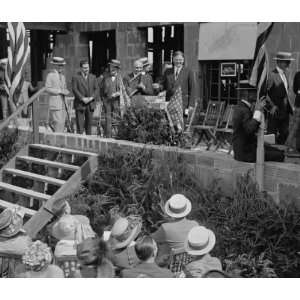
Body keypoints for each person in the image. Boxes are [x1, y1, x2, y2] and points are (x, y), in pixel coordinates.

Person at [232, 80, 285, 162]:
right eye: (254, 92)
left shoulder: (240, 107)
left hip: (244, 150)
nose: (256, 94)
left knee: (278, 151)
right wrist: (258, 111)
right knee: (279, 155)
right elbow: (250, 129)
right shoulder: (244, 110)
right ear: (247, 94)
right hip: (246, 153)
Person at [151, 194, 198, 265]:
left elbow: (149, 239)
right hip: (191, 264)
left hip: (171, 266)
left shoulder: (166, 228)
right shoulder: (195, 225)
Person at [155, 51, 197, 119]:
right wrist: (159, 87)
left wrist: (191, 105)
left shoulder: (189, 71)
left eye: (180, 60)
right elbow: (164, 86)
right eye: (176, 60)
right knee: (169, 125)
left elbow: (193, 89)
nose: (178, 62)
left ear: (183, 60)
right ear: (173, 59)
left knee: (180, 126)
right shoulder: (167, 71)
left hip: (182, 104)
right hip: (169, 103)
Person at [266, 51, 294, 145]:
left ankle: (279, 152)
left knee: (285, 133)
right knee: (272, 133)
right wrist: (271, 106)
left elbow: (286, 92)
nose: (288, 64)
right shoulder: (271, 75)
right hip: (275, 110)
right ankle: (271, 152)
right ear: (279, 62)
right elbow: (265, 92)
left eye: (288, 62)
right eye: (287, 62)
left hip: (285, 110)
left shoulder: (286, 74)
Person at [72, 59, 99, 135]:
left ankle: (89, 143)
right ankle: (79, 144)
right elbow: (74, 89)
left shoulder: (93, 77)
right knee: (80, 126)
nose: (86, 69)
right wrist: (82, 98)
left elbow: (97, 89)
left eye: (87, 67)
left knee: (89, 126)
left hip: (90, 104)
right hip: (80, 104)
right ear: (81, 68)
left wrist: (91, 98)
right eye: (84, 68)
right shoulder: (76, 77)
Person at [45, 56, 70, 132]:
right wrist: (59, 91)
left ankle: (60, 141)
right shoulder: (50, 75)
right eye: (59, 65)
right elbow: (47, 88)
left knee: (62, 123)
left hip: (63, 104)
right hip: (55, 104)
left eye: (62, 65)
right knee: (58, 123)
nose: (61, 67)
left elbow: (64, 88)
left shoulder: (63, 76)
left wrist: (65, 91)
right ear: (54, 65)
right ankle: (57, 141)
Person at [100, 59, 122, 138]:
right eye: (111, 67)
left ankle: (117, 135)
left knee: (116, 118)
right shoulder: (105, 77)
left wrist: (118, 93)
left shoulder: (120, 78)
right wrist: (103, 100)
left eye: (114, 68)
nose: (112, 69)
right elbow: (101, 90)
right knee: (108, 119)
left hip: (117, 102)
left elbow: (123, 90)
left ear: (117, 69)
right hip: (107, 101)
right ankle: (108, 136)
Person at [286, 69, 300, 152]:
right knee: (296, 127)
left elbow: (295, 89)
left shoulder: (297, 74)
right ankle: (290, 145)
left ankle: (293, 146)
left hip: (298, 103)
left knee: (295, 126)